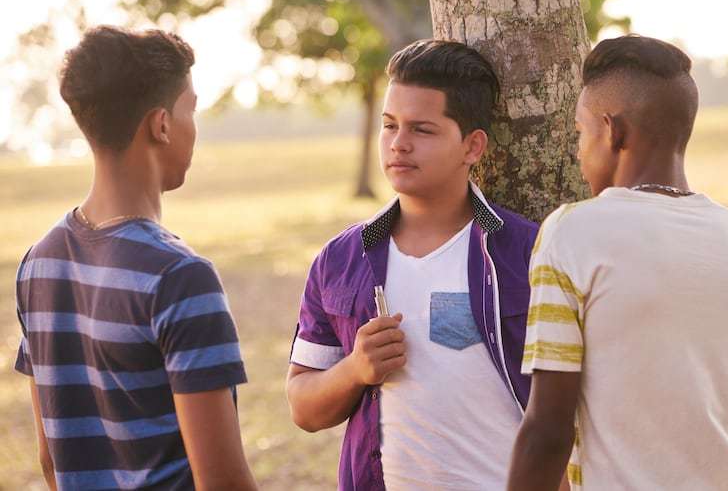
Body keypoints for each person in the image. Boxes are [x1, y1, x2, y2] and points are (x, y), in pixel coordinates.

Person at [507, 34, 728, 491]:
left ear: (611, 130)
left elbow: (546, 435)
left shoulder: (572, 234)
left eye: (581, 133)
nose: (579, 153)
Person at [286, 39, 540, 490]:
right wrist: (355, 369)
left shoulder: (528, 254)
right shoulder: (341, 260)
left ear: (472, 146)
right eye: (389, 126)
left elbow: (573, 409)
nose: (399, 145)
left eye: (422, 130)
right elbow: (303, 408)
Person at [14, 25, 258, 490]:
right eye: (192, 109)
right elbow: (222, 481)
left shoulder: (37, 264)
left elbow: (51, 461)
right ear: (161, 124)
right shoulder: (180, 277)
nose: (194, 127)